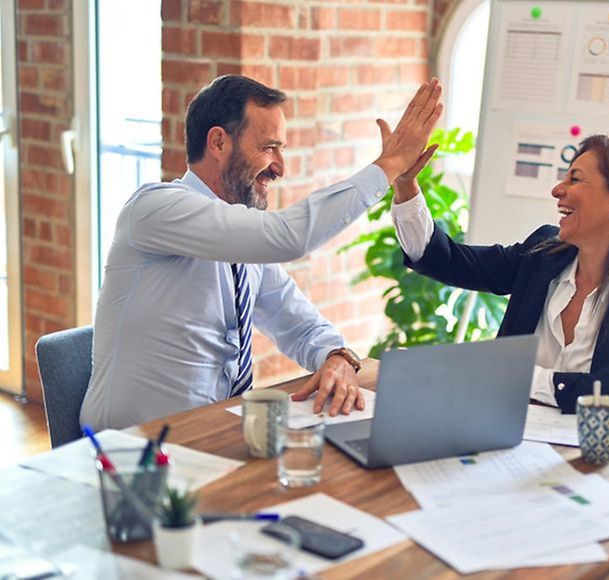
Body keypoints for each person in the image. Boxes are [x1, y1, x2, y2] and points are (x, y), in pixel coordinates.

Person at [80, 75, 442, 430]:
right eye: (269, 147)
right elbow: (289, 237)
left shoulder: (242, 242)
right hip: (130, 452)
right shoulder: (156, 209)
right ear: (219, 142)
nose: (280, 168)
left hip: (213, 437)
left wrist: (336, 356)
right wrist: (390, 165)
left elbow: (299, 323)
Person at [390, 134, 609, 423]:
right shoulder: (543, 254)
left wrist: (516, 376)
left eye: (575, 179)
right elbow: (446, 260)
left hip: (602, 459)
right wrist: (405, 184)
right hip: (507, 436)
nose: (557, 190)